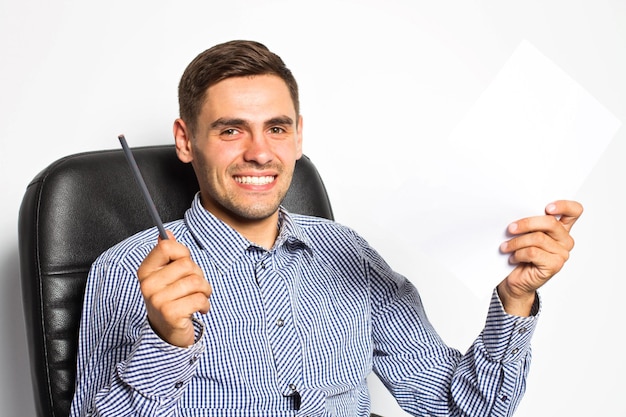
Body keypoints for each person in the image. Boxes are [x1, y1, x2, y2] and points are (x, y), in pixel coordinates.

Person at [69, 40, 583, 417]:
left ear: (298, 137)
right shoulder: (125, 273)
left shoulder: (349, 252)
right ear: (186, 140)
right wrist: (167, 342)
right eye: (231, 130)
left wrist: (515, 298)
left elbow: (459, 406)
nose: (260, 152)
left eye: (277, 127)